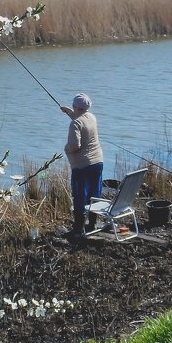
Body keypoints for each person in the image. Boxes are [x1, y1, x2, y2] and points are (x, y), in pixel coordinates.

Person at [60, 92, 104, 238]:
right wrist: (69, 112)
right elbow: (81, 118)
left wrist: (66, 148)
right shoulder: (91, 117)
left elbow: (75, 145)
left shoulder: (75, 124)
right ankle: (92, 224)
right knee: (94, 193)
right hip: (98, 161)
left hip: (82, 166)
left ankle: (78, 229)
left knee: (80, 195)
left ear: (75, 106)